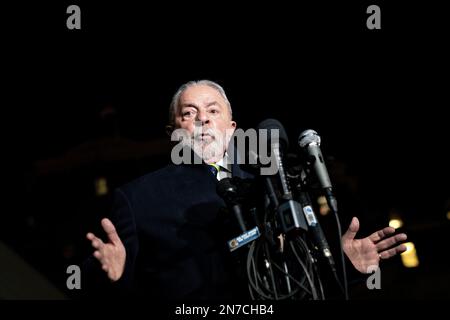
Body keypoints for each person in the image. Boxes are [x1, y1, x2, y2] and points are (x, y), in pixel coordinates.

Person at [83, 80, 407, 300]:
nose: (203, 120)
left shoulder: (271, 181)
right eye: (189, 113)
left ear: (231, 126)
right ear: (173, 133)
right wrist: (114, 277)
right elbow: (95, 281)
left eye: (213, 111)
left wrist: (344, 264)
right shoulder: (138, 199)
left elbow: (301, 278)